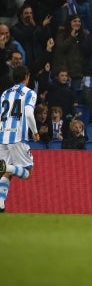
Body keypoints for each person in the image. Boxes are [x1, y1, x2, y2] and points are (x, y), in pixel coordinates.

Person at [0, 66, 38, 213]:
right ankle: (7, 167)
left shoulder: (5, 93)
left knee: (6, 174)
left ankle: (0, 203)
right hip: (17, 137)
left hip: (2, 136)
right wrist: (35, 132)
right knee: (28, 173)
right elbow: (28, 113)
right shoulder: (29, 93)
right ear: (27, 77)